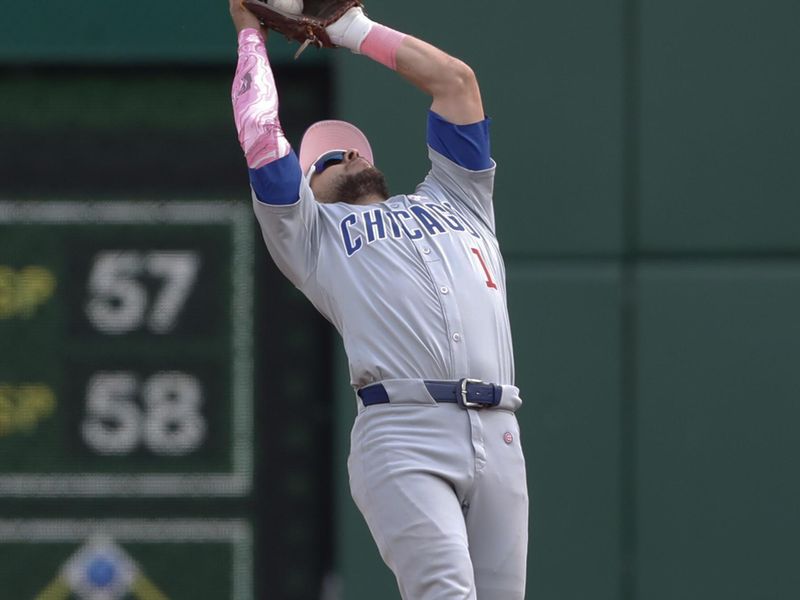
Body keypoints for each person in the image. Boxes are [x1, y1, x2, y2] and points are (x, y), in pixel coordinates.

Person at [228, 1, 528, 598]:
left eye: (352, 148)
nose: (347, 156)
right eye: (326, 159)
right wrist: (249, 36)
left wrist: (350, 31)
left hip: (500, 430)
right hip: (403, 428)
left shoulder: (457, 197)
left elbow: (456, 82)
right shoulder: (313, 237)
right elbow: (263, 136)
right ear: (307, 189)